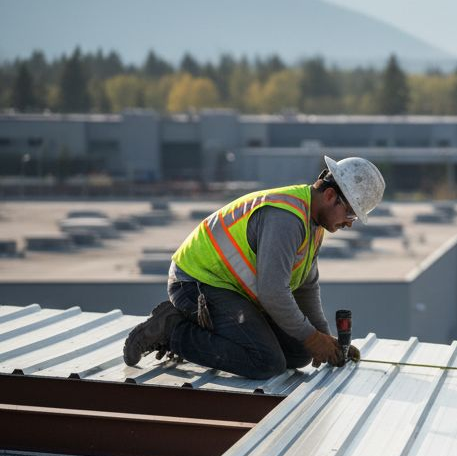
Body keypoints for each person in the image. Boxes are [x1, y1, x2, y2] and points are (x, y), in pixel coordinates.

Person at [122, 155, 385, 379]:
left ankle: (204, 332)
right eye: (350, 214)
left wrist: (324, 341)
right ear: (330, 195)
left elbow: (306, 287)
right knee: (266, 362)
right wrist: (313, 337)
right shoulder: (287, 218)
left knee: (300, 353)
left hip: (230, 290)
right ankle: (171, 329)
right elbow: (273, 293)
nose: (350, 224)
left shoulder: (313, 223)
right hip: (197, 283)